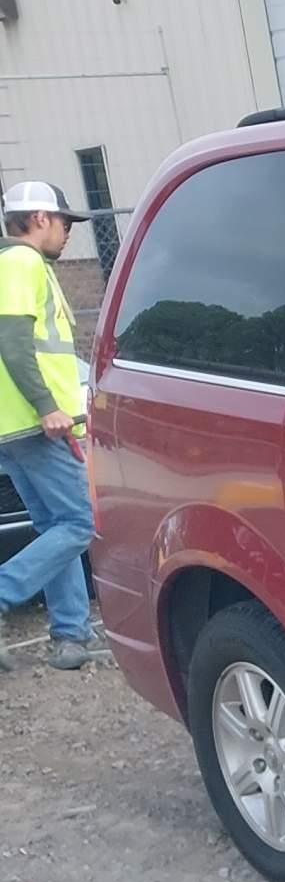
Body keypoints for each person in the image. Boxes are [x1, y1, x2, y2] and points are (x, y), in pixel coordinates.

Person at [0, 180, 104, 673]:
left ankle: (70, 635)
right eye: (64, 222)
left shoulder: (18, 265)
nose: (68, 233)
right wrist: (48, 406)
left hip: (17, 426)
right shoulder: (21, 263)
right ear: (40, 218)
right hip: (36, 424)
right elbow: (14, 341)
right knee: (81, 522)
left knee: (55, 526)